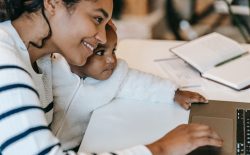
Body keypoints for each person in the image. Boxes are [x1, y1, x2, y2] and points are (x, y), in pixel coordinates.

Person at [0, 0, 223, 155]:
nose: (101, 37)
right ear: (52, 3)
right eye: (97, 19)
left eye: (106, 25)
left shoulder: (42, 59)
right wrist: (161, 149)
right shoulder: (6, 63)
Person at [51, 25, 210, 151]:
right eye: (100, 52)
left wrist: (174, 93)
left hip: (77, 147)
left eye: (113, 50)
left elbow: (140, 83)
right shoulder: (53, 67)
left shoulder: (113, 75)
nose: (111, 59)